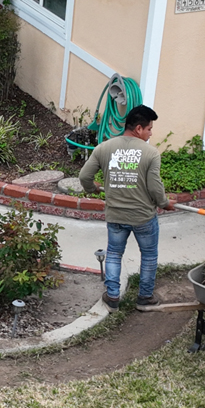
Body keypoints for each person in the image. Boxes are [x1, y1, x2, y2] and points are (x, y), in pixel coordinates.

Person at [79, 105, 169, 307]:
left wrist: (92, 189)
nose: (150, 133)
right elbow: (155, 187)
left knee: (113, 254)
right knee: (149, 256)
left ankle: (112, 297)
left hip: (116, 216)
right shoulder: (151, 153)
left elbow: (84, 176)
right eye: (149, 129)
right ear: (138, 128)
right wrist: (164, 203)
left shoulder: (104, 148)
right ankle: (145, 297)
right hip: (143, 217)